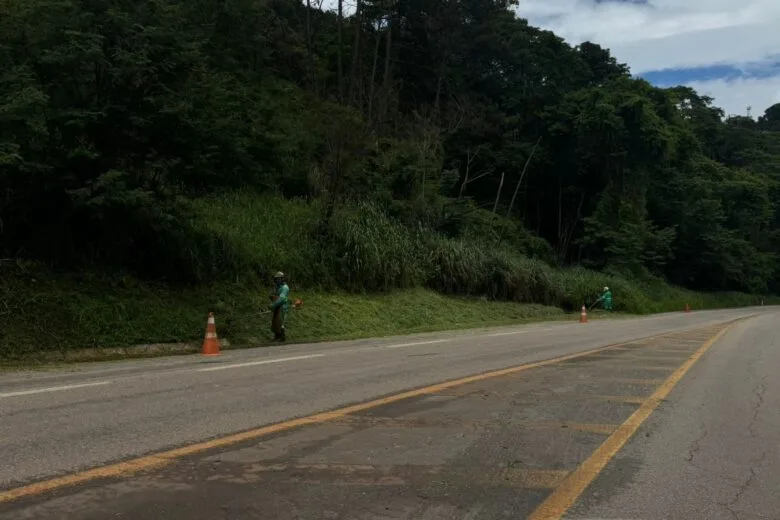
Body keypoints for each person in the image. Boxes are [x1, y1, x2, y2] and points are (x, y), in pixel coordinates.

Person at [269, 271, 290, 342]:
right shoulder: (278, 287)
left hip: (283, 307)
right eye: (276, 279)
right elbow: (275, 296)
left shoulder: (285, 288)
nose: (276, 280)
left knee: (281, 322)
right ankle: (276, 336)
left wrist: (273, 305)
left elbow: (282, 299)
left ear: (282, 279)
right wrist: (272, 296)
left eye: (278, 279)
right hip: (277, 306)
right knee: (275, 322)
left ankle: (282, 337)